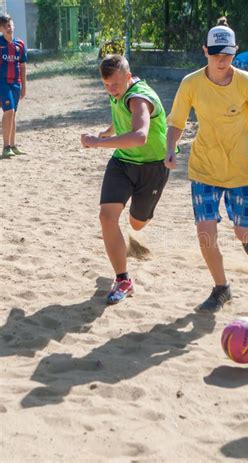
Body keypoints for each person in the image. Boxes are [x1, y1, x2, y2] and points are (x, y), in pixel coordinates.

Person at [165, 17, 248, 313]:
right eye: (215, 54)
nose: (221, 60)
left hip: (244, 169)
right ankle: (221, 287)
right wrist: (170, 148)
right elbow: (176, 120)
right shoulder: (190, 83)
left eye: (226, 54)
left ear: (235, 51)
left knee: (243, 233)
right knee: (205, 234)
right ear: (205, 51)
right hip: (205, 168)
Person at [80, 54, 169, 304]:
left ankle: (134, 234)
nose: (111, 90)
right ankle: (123, 279)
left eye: (116, 85)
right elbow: (120, 112)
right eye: (106, 85)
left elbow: (140, 135)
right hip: (122, 163)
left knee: (137, 224)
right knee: (107, 217)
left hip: (152, 168)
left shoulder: (139, 98)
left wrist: (99, 142)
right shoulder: (118, 89)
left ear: (128, 78)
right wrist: (108, 131)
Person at [0, 14, 27, 157]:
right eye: (5, 27)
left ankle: (13, 145)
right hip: (2, 82)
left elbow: (23, 67)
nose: (9, 28)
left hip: (16, 83)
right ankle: (5, 147)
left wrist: (24, 87)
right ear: (1, 29)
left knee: (13, 114)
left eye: (10, 25)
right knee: (9, 111)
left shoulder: (20, 45)